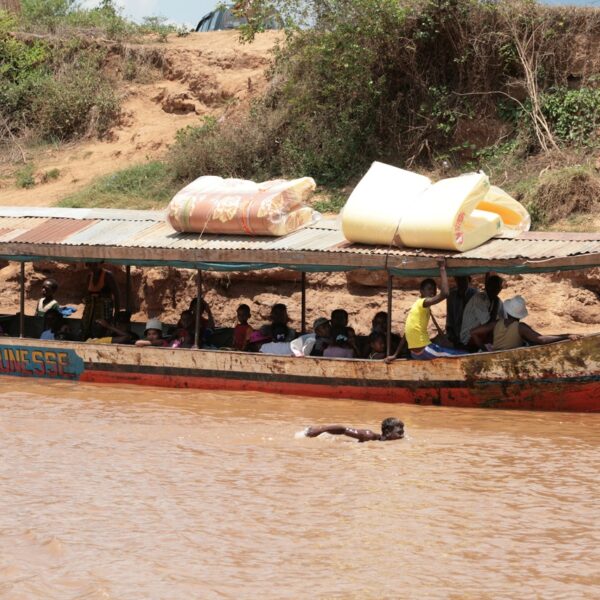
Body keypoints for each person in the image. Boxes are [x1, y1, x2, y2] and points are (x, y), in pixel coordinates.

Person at [389, 259, 466, 361]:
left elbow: (407, 332)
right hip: (425, 350)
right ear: (421, 291)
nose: (432, 292)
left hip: (415, 353)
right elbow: (445, 294)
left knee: (449, 352)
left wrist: (395, 355)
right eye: (429, 289)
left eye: (434, 289)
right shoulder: (422, 303)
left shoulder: (418, 308)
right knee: (463, 355)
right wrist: (442, 268)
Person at [470, 295, 581, 351]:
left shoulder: (496, 323)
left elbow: (473, 332)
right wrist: (566, 336)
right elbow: (541, 340)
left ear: (507, 312)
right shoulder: (521, 327)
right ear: (520, 314)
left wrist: (485, 350)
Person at [459, 274, 504, 349]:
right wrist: (495, 302)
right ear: (487, 286)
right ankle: (484, 350)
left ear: (500, 288)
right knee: (494, 327)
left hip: (483, 334)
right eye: (492, 286)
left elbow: (504, 321)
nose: (494, 289)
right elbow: (488, 325)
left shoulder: (498, 301)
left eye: (497, 287)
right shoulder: (479, 299)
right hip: (468, 337)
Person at [81, 262, 120, 340]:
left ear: (100, 264)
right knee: (86, 329)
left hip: (104, 310)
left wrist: (116, 314)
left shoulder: (108, 275)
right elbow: (86, 293)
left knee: (102, 330)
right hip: (91, 310)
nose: (93, 267)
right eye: (90, 265)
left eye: (95, 264)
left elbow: (117, 294)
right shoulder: (90, 276)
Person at [304, 417, 404, 443]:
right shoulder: (368, 435)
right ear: (387, 432)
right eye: (399, 432)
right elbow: (343, 429)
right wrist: (321, 430)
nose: (402, 436)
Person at [445, 276, 477, 347]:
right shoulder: (451, 295)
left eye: (463, 280)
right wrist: (451, 334)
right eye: (459, 279)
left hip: (472, 335)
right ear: (456, 280)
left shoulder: (475, 295)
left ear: (469, 280)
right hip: (457, 334)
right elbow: (450, 317)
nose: (461, 282)